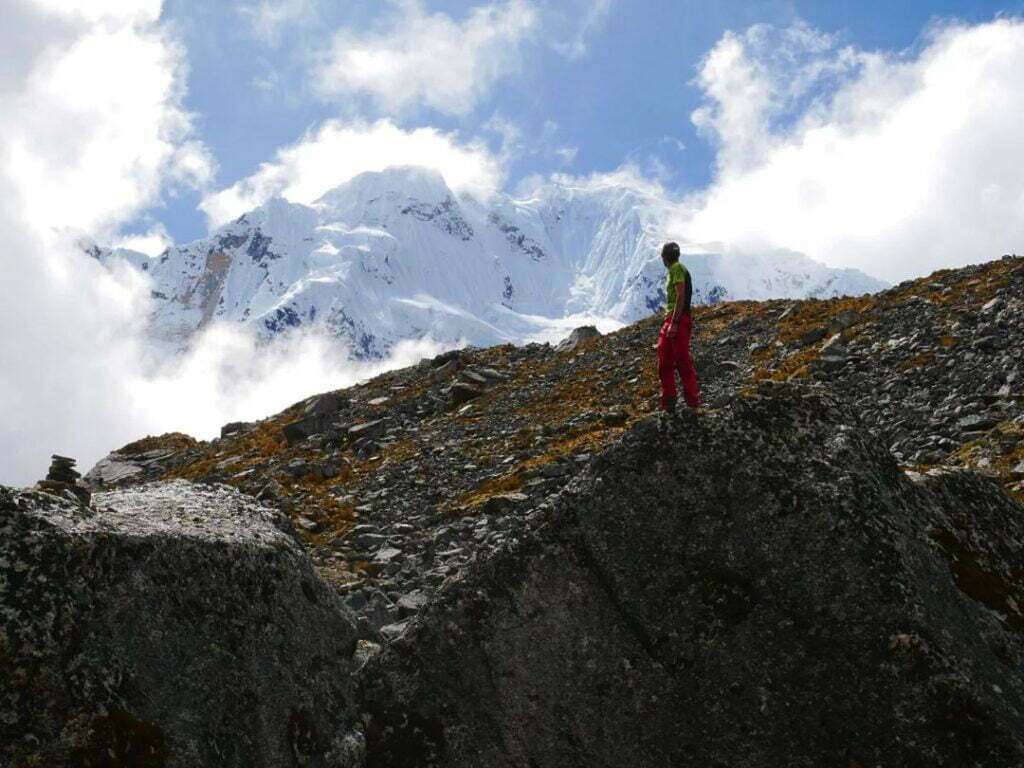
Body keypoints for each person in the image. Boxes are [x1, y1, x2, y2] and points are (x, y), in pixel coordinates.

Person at [656, 242, 700, 412]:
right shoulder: (677, 269)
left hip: (678, 319)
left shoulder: (677, 269)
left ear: (664, 257)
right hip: (674, 319)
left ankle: (690, 401)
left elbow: (680, 295)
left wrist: (674, 322)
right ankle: (671, 401)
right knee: (666, 360)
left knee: (679, 360)